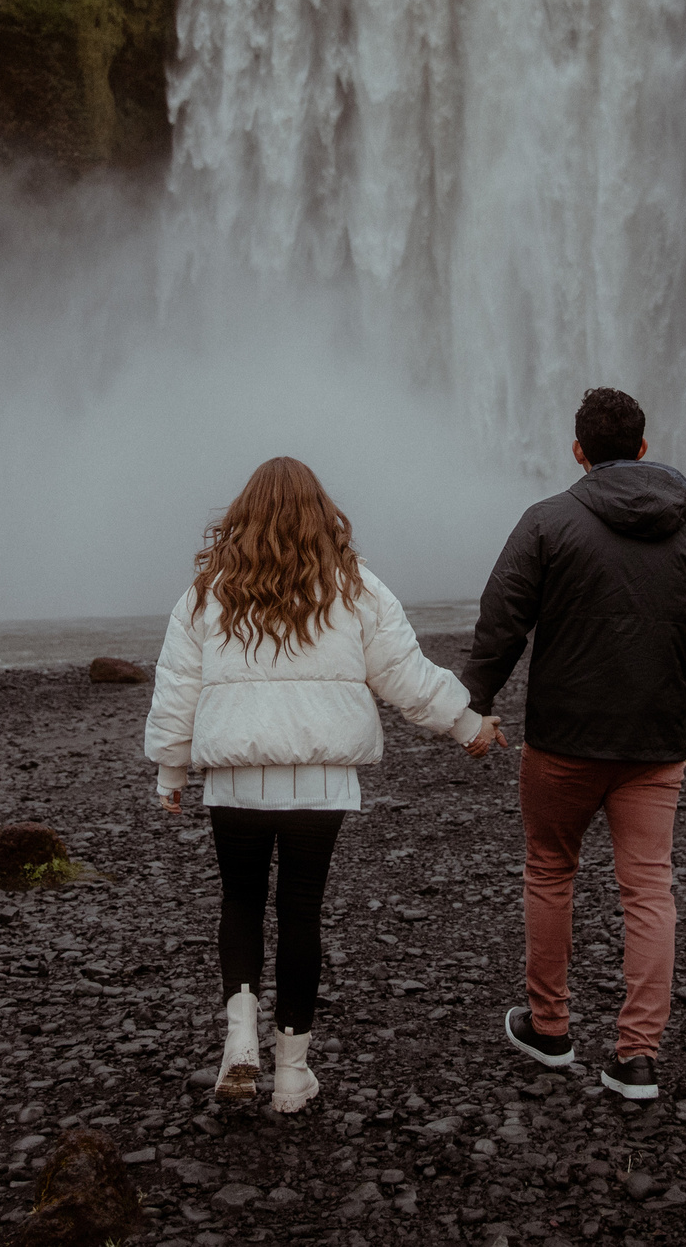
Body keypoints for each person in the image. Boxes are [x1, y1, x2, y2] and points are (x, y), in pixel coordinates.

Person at [143, 456, 501, 1113]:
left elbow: (177, 688)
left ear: (242, 516)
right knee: (300, 912)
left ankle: (240, 1037)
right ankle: (291, 1076)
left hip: (235, 779)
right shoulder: (356, 586)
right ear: (321, 513)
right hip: (322, 782)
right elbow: (406, 675)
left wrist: (171, 769)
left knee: (242, 903)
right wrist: (467, 723)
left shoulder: (208, 590)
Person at [462, 387, 686, 1102]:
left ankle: (549, 1029)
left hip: (564, 742)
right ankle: (637, 1056)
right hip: (655, 747)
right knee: (649, 887)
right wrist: (685, 733)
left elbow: (502, 621)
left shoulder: (547, 522)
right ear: (643, 448)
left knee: (550, 868)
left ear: (578, 450)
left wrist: (472, 706)